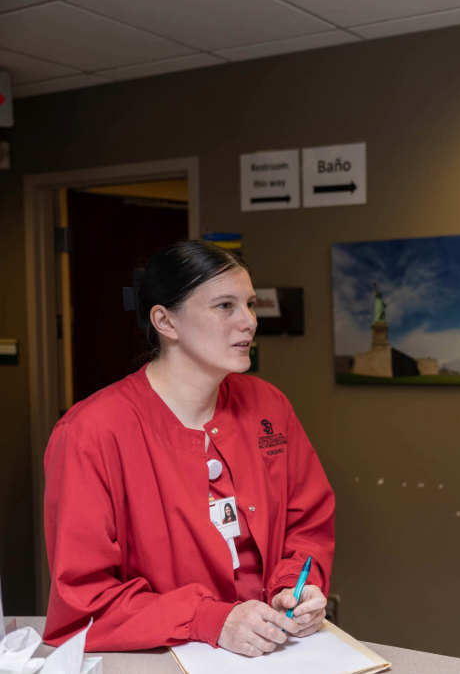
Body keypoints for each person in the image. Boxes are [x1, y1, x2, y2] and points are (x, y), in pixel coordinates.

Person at [43, 241, 336, 657]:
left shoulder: (270, 406)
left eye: (250, 304)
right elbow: (84, 605)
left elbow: (307, 523)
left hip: (275, 650)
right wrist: (210, 620)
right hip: (163, 656)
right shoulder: (90, 433)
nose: (249, 322)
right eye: (225, 306)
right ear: (165, 321)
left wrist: (295, 587)